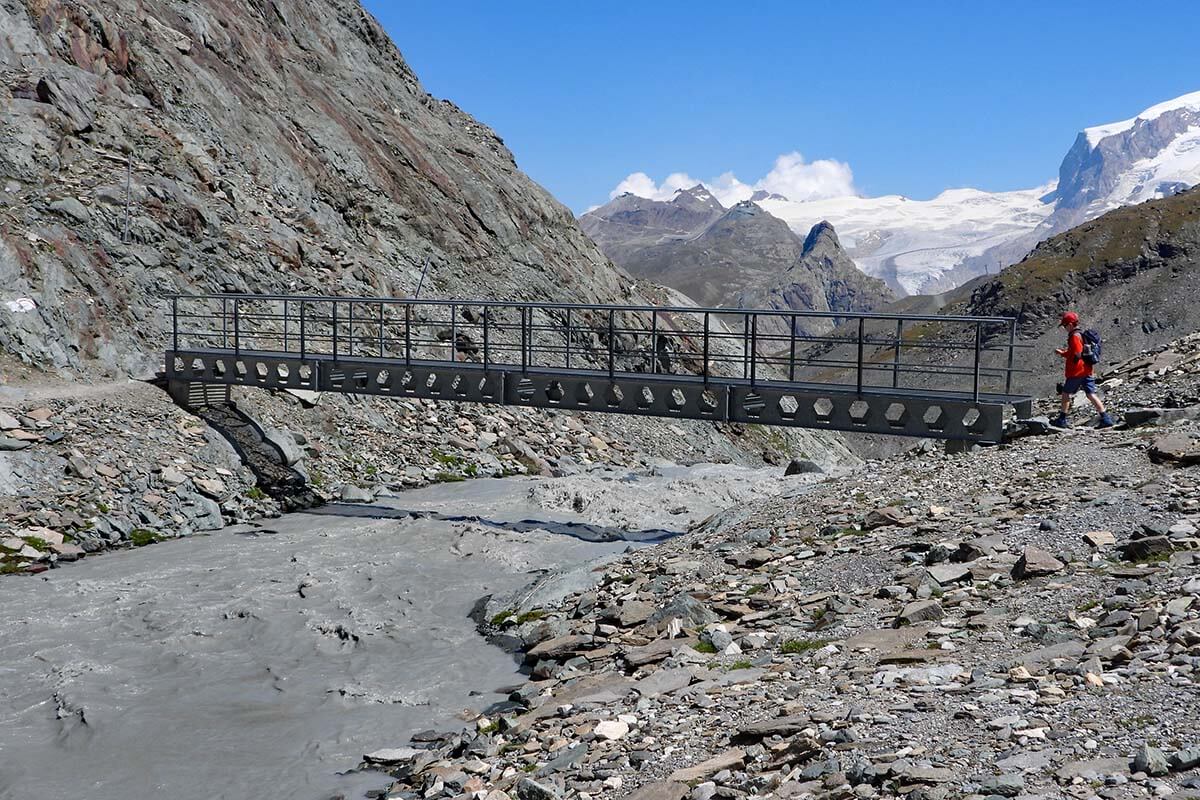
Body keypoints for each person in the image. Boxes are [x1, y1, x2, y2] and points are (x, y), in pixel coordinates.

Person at [1052, 311, 1114, 429]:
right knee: (1091, 394)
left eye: (1065, 326)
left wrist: (1068, 358)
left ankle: (1062, 419)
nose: (1065, 328)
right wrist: (1064, 353)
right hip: (1087, 370)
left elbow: (1077, 353)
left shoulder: (1074, 336)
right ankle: (1106, 418)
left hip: (1077, 371)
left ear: (1070, 324)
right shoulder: (1081, 335)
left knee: (1065, 393)